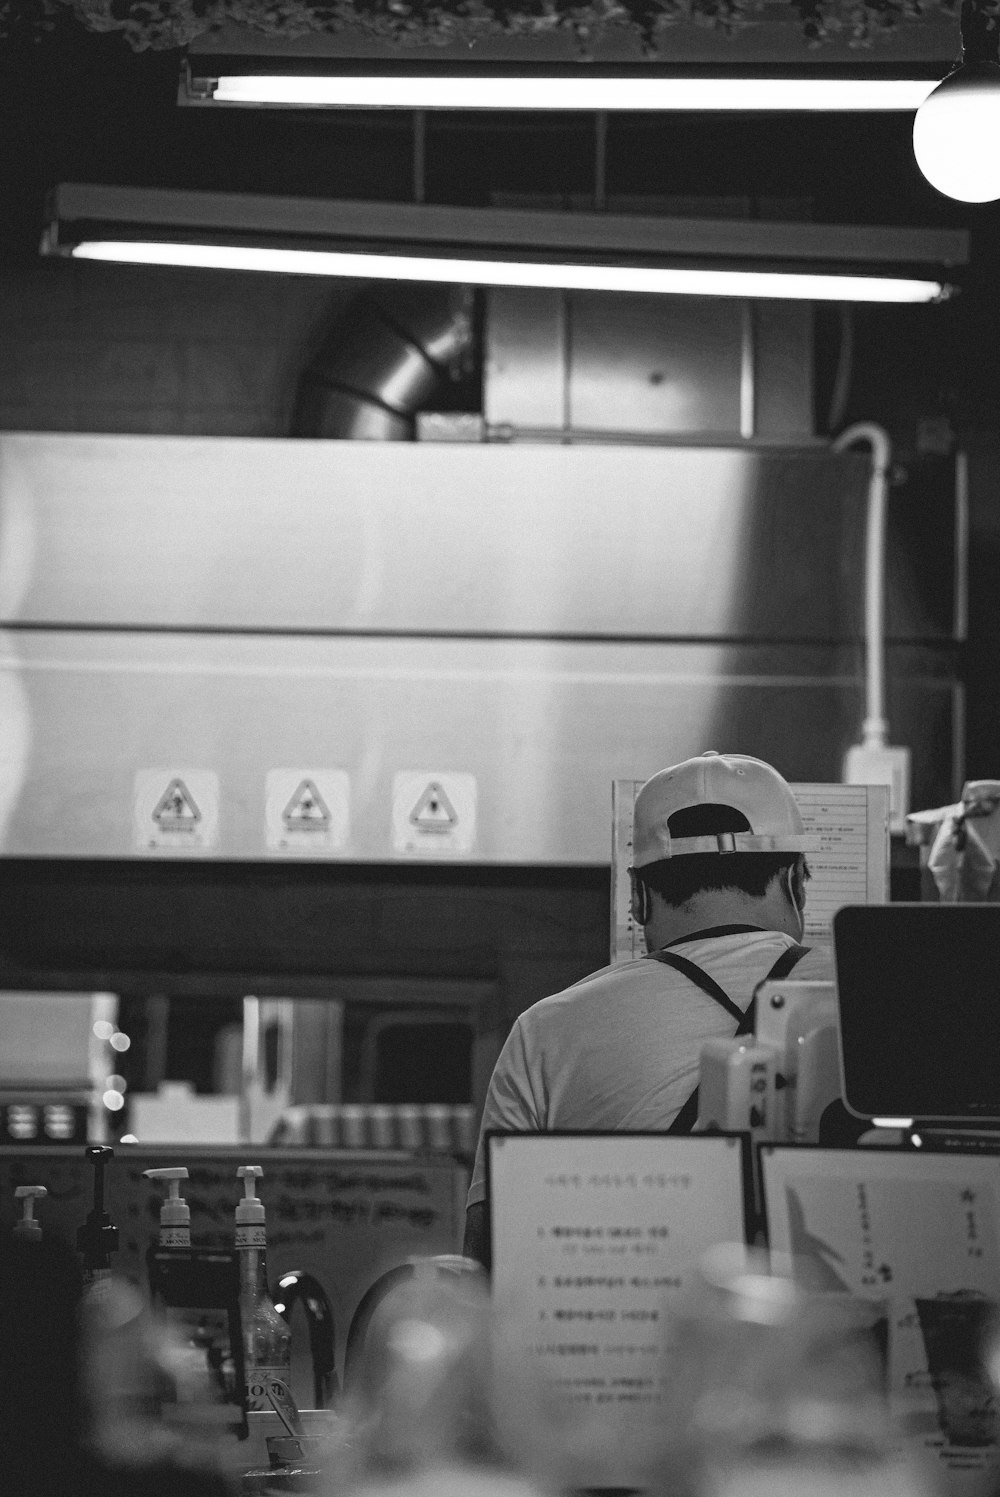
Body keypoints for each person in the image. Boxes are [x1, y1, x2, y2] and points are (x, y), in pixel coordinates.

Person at [463, 751, 831, 1265]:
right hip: (817, 1341)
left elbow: (488, 1257)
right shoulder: (867, 996)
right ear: (795, 881)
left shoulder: (544, 1029)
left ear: (636, 896)